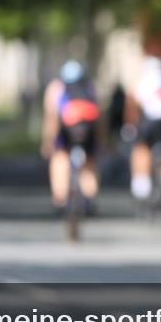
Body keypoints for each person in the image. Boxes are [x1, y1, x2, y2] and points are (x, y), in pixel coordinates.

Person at [40, 60, 101, 212]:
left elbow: (52, 117)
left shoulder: (56, 87)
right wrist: (100, 140)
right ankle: (89, 197)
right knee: (89, 163)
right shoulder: (90, 86)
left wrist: (48, 142)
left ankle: (60, 198)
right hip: (88, 130)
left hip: (66, 130)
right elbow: (99, 115)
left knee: (59, 157)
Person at [127, 56, 161, 200]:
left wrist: (131, 125)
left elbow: (133, 103)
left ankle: (142, 183)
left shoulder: (144, 80)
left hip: (152, 120)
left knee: (141, 147)